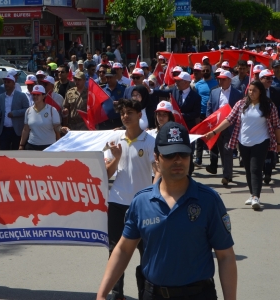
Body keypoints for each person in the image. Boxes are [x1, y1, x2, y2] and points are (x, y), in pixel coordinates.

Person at [97, 121, 237, 300]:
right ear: (156, 157)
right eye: (170, 155)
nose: (178, 160)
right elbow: (124, 249)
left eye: (183, 154)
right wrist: (102, 294)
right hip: (153, 294)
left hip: (198, 294)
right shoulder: (142, 201)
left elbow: (225, 256)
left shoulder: (209, 200)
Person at [103, 98, 156, 300]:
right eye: (123, 113)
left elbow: (157, 172)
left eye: (130, 112)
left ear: (139, 115)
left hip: (142, 205)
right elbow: (106, 175)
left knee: (147, 253)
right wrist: (116, 157)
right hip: (117, 203)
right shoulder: (115, 139)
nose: (125, 116)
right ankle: (117, 294)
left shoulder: (150, 142)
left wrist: (153, 196)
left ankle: (146, 293)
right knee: (115, 252)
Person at [204, 81, 280, 210]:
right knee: (248, 170)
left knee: (255, 169)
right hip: (243, 142)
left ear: (261, 92)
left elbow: (276, 125)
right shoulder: (241, 104)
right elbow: (229, 119)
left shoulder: (268, 106)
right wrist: (214, 132)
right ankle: (252, 195)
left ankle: (256, 197)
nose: (251, 93)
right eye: (250, 90)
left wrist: (279, 143)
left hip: (261, 141)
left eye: (255, 90)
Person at [205, 70, 243, 185]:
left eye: (223, 79)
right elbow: (210, 107)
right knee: (222, 150)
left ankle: (226, 176)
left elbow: (240, 110)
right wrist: (209, 120)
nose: (220, 81)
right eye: (219, 79)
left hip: (230, 127)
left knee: (228, 150)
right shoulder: (214, 92)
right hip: (217, 127)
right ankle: (228, 173)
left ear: (229, 80)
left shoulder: (237, 93)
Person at [19, 85, 61, 150]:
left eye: (38, 95)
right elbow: (26, 129)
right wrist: (21, 145)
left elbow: (56, 127)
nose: (35, 96)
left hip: (49, 146)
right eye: (34, 94)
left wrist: (61, 129)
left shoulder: (52, 110)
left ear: (43, 96)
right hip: (32, 146)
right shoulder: (28, 111)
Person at [0, 73, 30, 150]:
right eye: (5, 82)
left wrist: (15, 113)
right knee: (4, 153)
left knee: (15, 153)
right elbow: (1, 110)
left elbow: (27, 110)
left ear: (13, 83)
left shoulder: (21, 96)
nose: (6, 84)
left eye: (8, 82)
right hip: (4, 130)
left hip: (16, 130)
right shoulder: (1, 97)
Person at [194, 63, 218, 166]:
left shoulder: (216, 83)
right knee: (199, 138)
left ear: (210, 71)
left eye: (207, 70)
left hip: (213, 114)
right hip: (201, 113)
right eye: (203, 70)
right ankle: (198, 159)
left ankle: (213, 162)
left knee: (213, 138)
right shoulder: (197, 85)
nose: (205, 72)